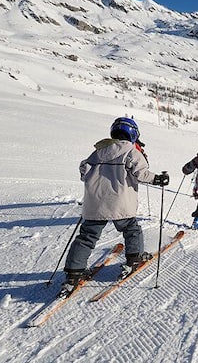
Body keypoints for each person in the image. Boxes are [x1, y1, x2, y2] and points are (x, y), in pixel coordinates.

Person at [62, 117, 169, 293]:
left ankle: (74, 272)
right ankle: (134, 258)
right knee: (131, 230)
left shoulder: (97, 152)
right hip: (120, 203)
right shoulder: (131, 151)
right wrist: (158, 179)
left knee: (86, 236)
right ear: (134, 134)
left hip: (94, 203)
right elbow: (141, 173)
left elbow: (83, 171)